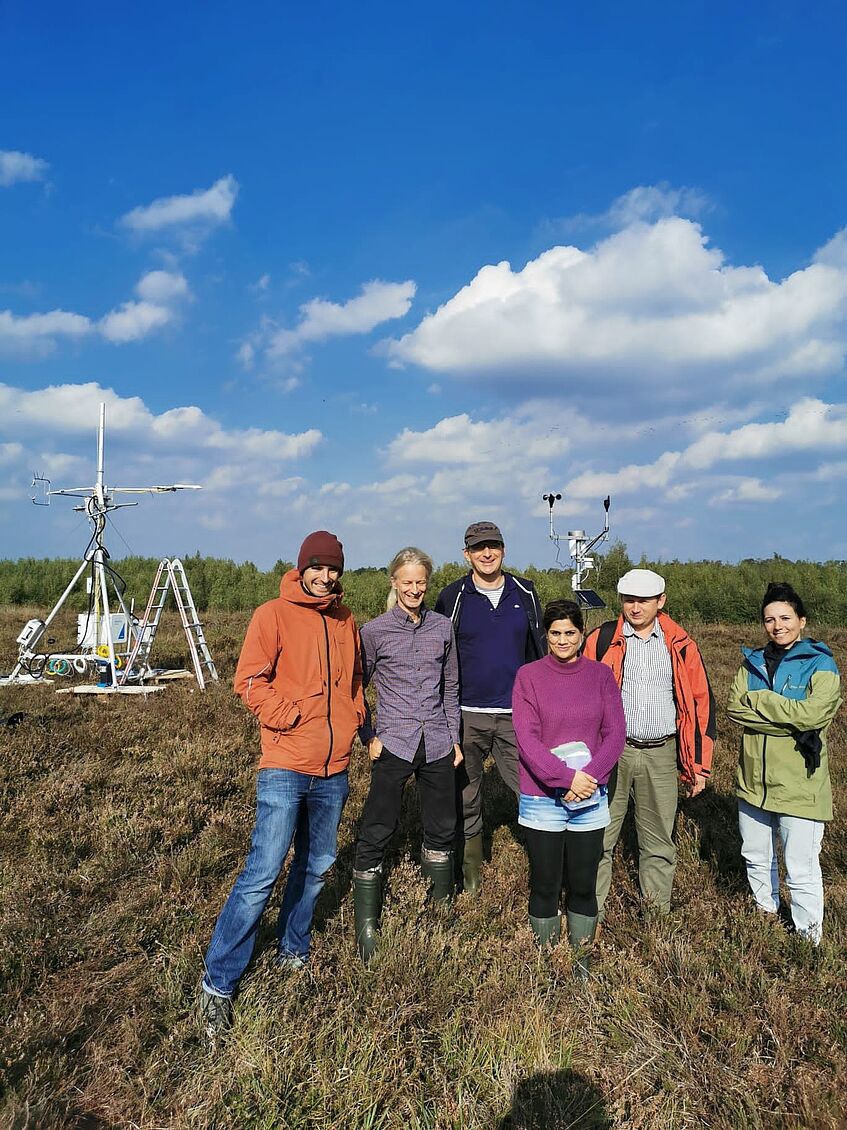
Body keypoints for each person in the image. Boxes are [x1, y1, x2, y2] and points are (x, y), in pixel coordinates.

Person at [199, 531, 365, 1042]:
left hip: (333, 768)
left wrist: (356, 716)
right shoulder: (272, 614)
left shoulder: (344, 620)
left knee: (315, 868)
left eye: (333, 569)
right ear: (302, 568)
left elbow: (355, 682)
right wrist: (287, 716)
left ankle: (293, 950)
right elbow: (249, 679)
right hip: (285, 763)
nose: (326, 576)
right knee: (262, 873)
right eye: (317, 568)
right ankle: (218, 983)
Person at [583, 568, 715, 917]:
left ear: (661, 602)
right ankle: (589, 913)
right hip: (612, 753)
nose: (635, 607)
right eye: (629, 600)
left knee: (658, 842)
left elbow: (700, 704)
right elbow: (579, 698)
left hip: (661, 752)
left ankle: (656, 919)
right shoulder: (601, 639)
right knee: (599, 837)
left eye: (643, 600)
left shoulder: (681, 645)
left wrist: (698, 767)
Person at [353, 547, 463, 962]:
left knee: (442, 827)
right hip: (394, 742)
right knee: (378, 827)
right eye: (407, 582)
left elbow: (450, 688)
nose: (415, 589)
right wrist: (368, 736)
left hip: (436, 742)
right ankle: (367, 927)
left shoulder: (442, 628)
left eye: (421, 582)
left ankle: (439, 914)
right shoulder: (375, 631)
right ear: (394, 583)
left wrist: (453, 738)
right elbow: (355, 689)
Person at [512, 599, 625, 977]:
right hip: (542, 799)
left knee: (583, 884)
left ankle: (580, 964)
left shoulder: (600, 676)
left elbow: (615, 733)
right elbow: (526, 738)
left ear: (581, 634)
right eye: (555, 633)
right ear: (546, 635)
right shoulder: (528, 677)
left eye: (570, 633)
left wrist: (589, 778)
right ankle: (546, 964)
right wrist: (565, 779)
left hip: (590, 798)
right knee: (544, 883)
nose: (562, 640)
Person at [727, 582, 841, 943]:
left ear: (802, 621)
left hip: (799, 784)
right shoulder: (752, 662)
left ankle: (809, 940)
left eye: (786, 618)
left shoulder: (821, 664)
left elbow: (814, 715)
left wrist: (760, 701)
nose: (778, 626)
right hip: (753, 782)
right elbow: (734, 709)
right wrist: (785, 721)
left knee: (801, 868)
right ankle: (766, 917)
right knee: (756, 857)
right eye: (770, 619)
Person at [435, 521, 545, 896]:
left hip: (516, 714)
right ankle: (471, 877)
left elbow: (538, 652)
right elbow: (440, 657)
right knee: (466, 795)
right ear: (466, 554)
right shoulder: (452, 597)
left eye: (493, 546)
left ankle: (543, 867)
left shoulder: (525, 593)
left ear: (503, 549)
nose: (486, 553)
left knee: (531, 789)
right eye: (478, 547)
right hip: (466, 715)